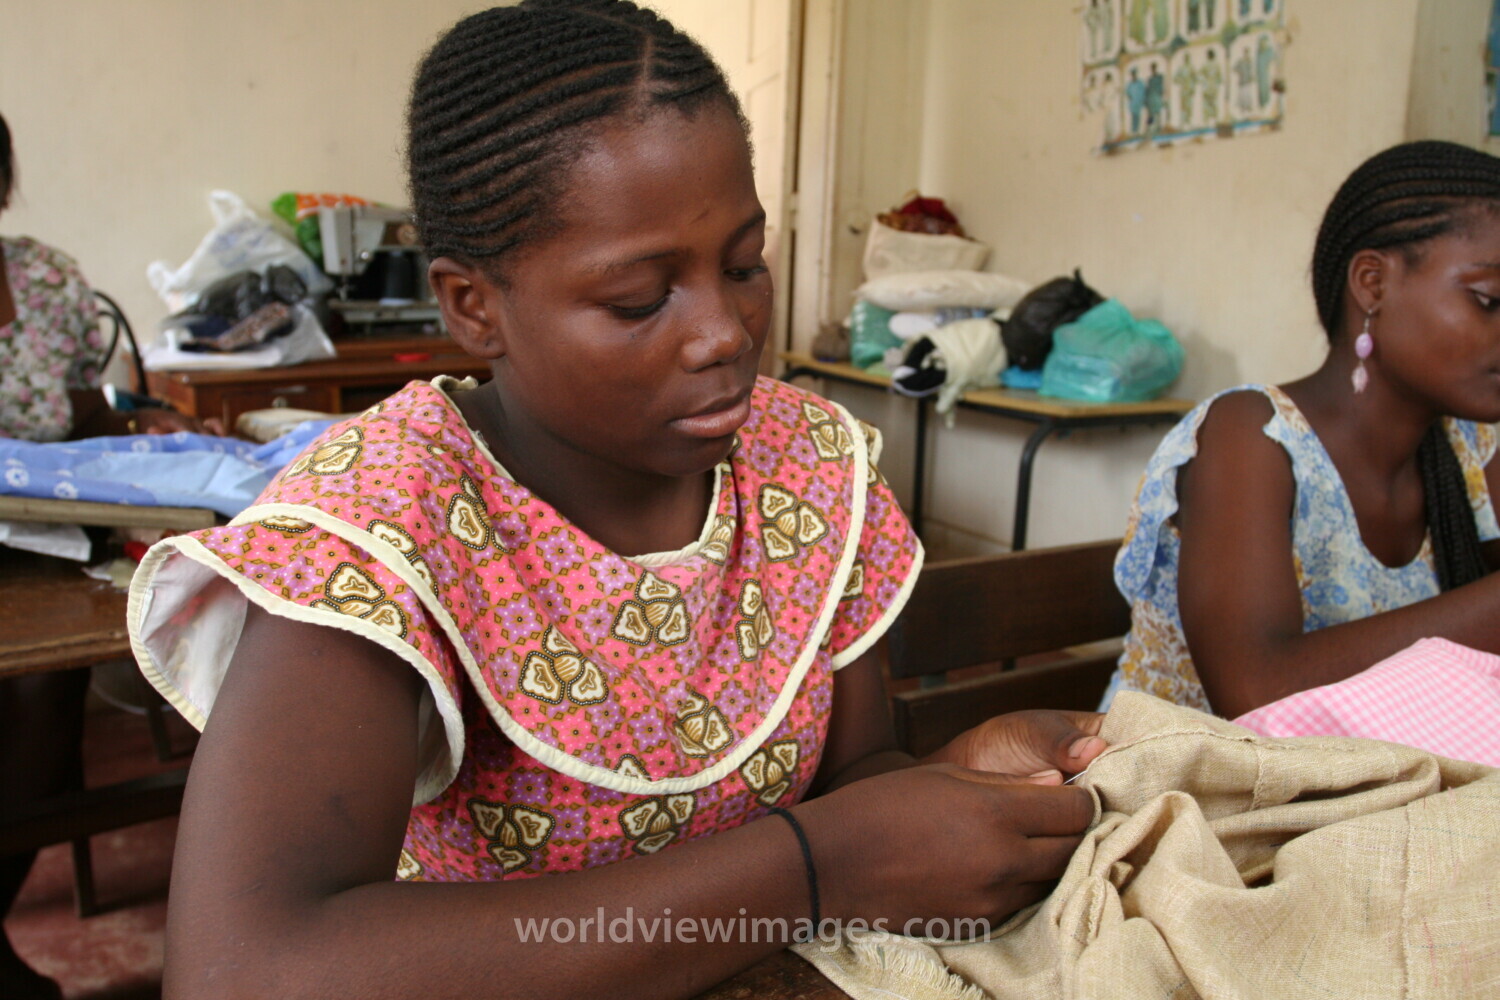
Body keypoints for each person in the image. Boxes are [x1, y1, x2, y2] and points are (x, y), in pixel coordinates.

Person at [126, 4, 1105, 999]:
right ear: (474, 306)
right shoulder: (382, 531)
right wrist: (811, 869)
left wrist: (954, 783)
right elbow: (240, 970)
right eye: (640, 299)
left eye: (743, 266)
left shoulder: (805, 466)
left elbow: (852, 781)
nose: (723, 331)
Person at [1108, 140, 1500, 719]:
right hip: (1187, 790)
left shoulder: (1470, 451)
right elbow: (1255, 693)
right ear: (1372, 283)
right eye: (1489, 300)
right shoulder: (1251, 437)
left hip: (1360, 795)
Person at [0, 109, 219, 1000]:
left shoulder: (44, 279)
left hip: (40, 554)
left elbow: (82, 415)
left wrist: (149, 429)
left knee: (43, 696)